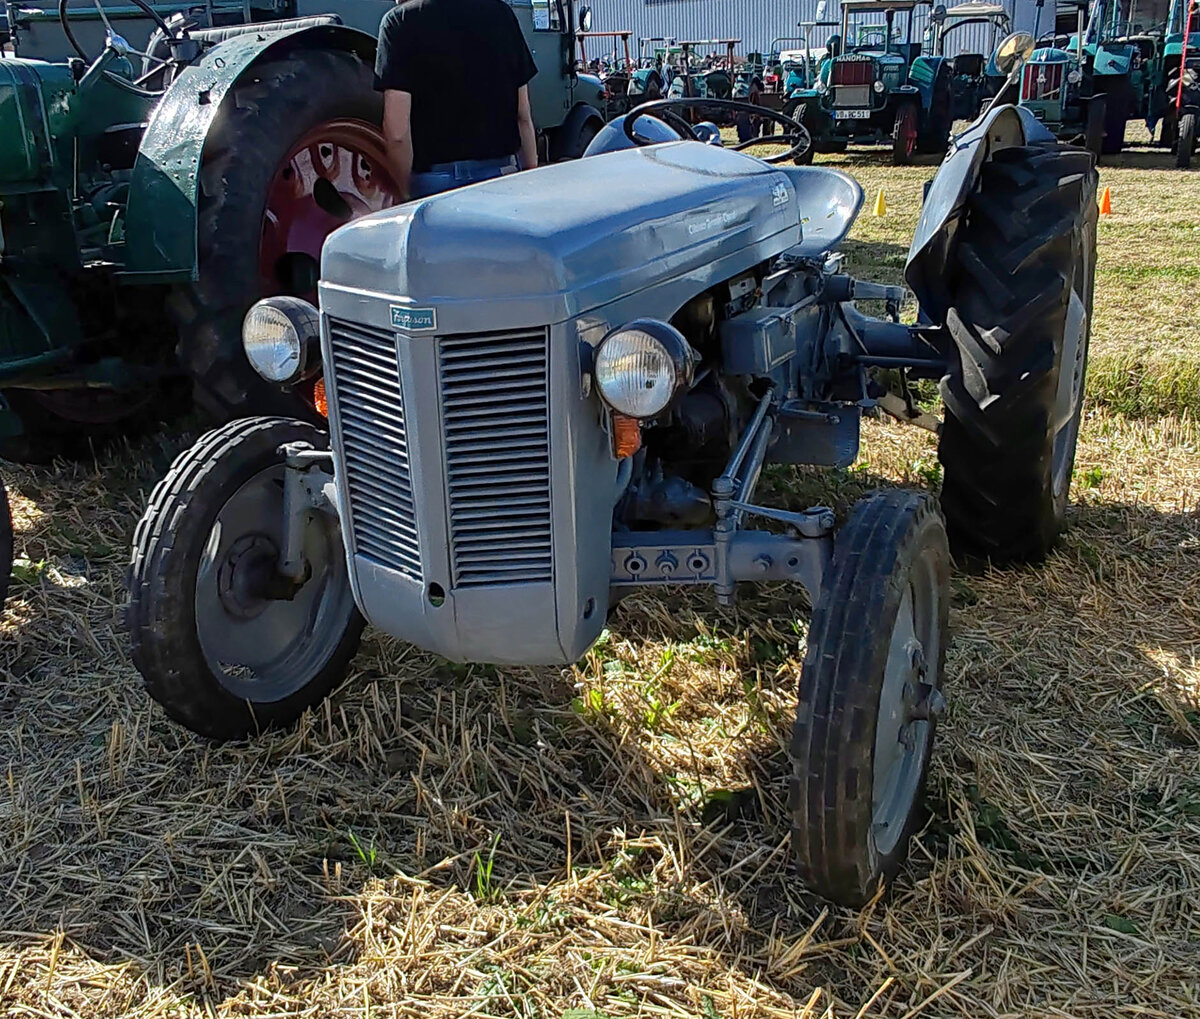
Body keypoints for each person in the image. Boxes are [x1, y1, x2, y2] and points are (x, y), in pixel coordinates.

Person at [374, 0, 539, 200]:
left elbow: (397, 134)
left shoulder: (399, 21)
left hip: (433, 184)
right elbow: (523, 114)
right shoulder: (502, 13)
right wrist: (531, 174)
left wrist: (402, 192)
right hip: (500, 177)